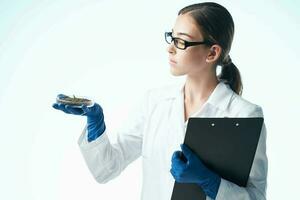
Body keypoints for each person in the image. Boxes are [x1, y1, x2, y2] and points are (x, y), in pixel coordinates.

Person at [52, 2, 267, 200]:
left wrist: (211, 183)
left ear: (212, 53)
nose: (170, 48)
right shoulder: (154, 102)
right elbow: (106, 169)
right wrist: (95, 125)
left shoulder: (244, 115)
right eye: (171, 37)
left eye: (181, 41)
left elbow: (256, 196)